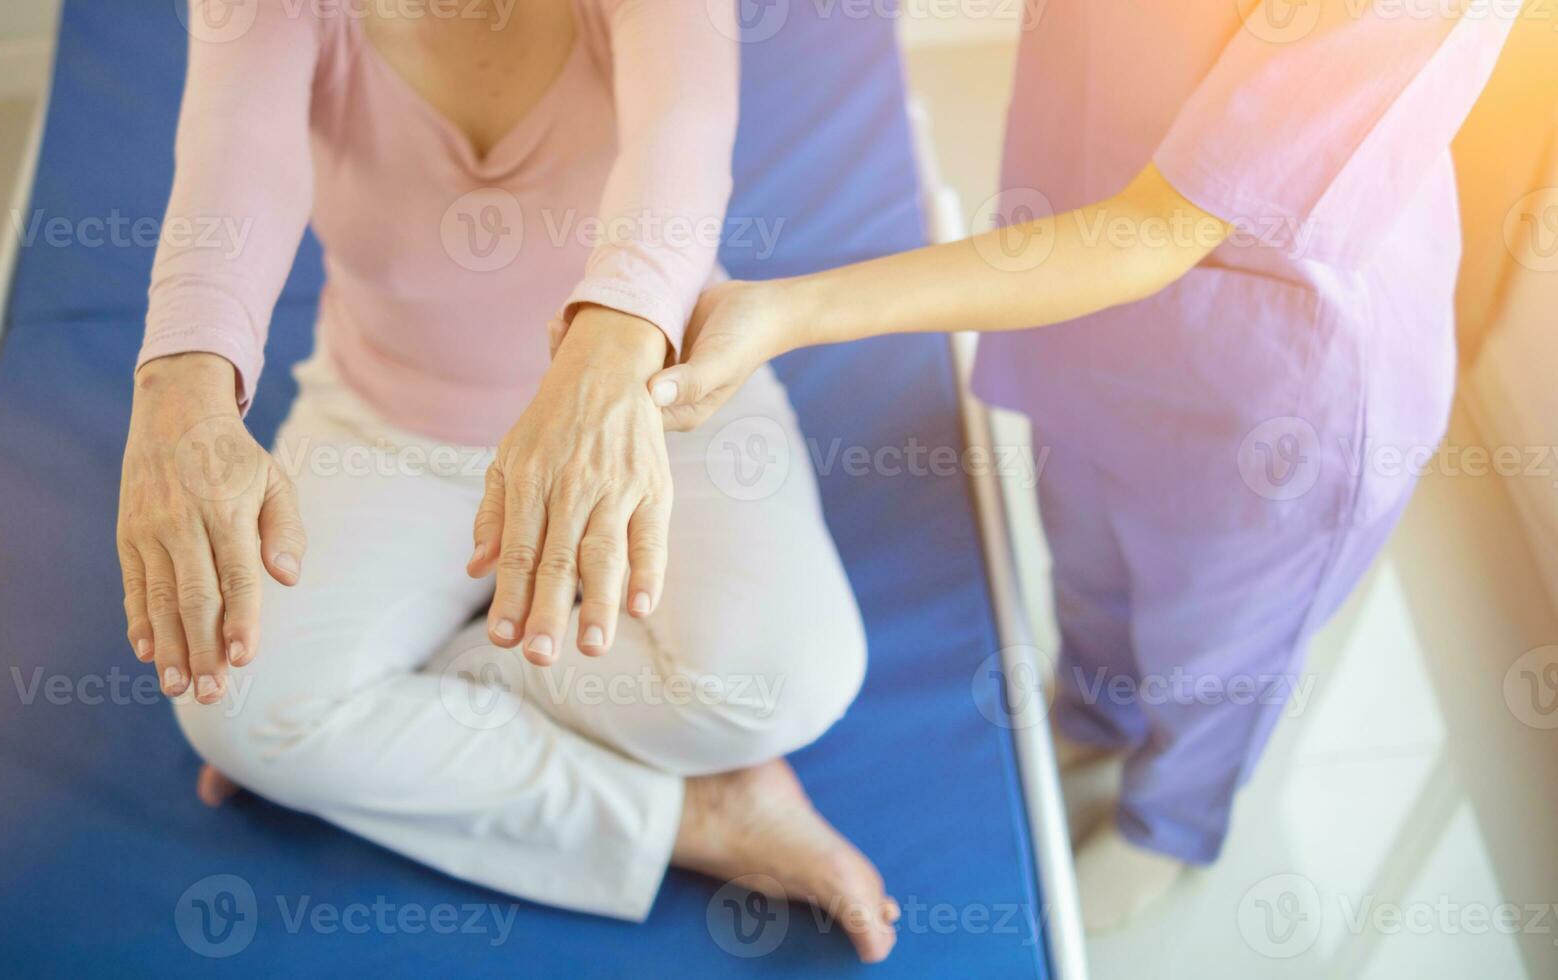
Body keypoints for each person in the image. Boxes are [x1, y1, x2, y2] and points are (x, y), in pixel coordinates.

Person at [530, 0, 1518, 931]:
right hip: (1077, 268)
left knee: (1212, 650)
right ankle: (1092, 703)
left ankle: (1166, 820)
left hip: (1271, 384)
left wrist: (788, 310)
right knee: (1083, 547)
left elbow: (1158, 228)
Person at [115, 0, 897, 961]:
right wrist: (178, 388)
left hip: (658, 398)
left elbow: (682, 140)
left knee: (786, 683)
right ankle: (699, 814)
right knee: (231, 707)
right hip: (392, 430)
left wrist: (608, 361)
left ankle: (397, 693)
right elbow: (231, 171)